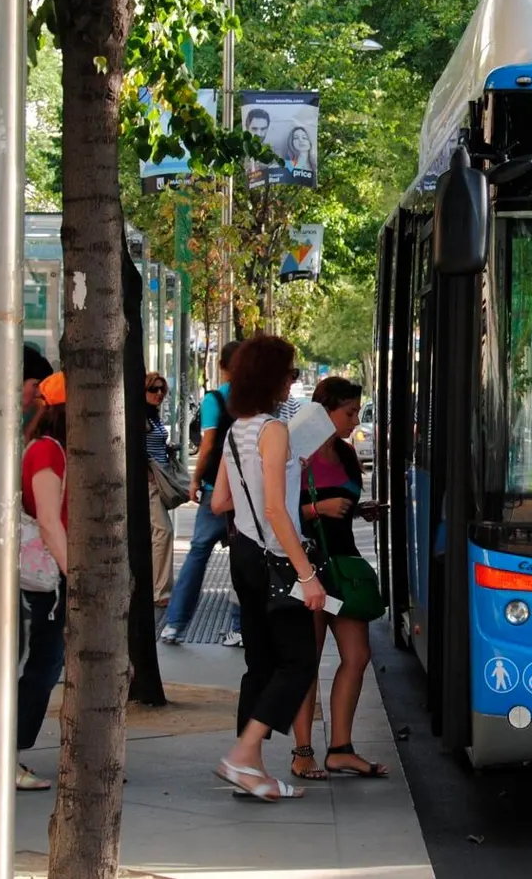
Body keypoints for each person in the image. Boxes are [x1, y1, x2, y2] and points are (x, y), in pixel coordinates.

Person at [210, 334, 325, 802]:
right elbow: (277, 510)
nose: (292, 380)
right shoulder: (273, 431)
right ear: (274, 378)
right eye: (290, 372)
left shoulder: (237, 428)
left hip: (244, 557)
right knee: (299, 662)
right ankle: (244, 752)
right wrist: (306, 573)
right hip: (278, 559)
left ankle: (250, 768)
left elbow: (219, 500)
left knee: (259, 663)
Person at [286, 377, 389, 781]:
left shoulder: (346, 455)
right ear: (324, 410)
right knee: (306, 661)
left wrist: (358, 509)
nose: (353, 420)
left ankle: (341, 748)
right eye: (347, 413)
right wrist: (317, 510)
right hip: (308, 569)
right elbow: (276, 510)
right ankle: (302, 751)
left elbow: (337, 506)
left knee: (357, 655)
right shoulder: (297, 454)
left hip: (344, 567)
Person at [163, 340, 244, 646]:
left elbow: (209, 445)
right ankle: (239, 626)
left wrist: (196, 481)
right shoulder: (258, 401)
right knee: (241, 559)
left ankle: (175, 624)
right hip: (246, 494)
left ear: (223, 367)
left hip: (216, 490)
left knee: (198, 553)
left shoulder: (216, 400)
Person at [16, 372, 71, 791]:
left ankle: (10, 751)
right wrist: (76, 574)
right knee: (40, 665)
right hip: (47, 581)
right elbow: (50, 522)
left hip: (52, 577)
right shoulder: (47, 452)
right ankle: (9, 752)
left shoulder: (52, 450)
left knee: (45, 664)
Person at [145, 371, 176, 606]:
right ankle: (160, 592)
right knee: (163, 531)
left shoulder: (153, 415)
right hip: (150, 481)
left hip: (159, 477)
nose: (158, 394)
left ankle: (158, 589)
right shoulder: (140, 416)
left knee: (157, 532)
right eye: (153, 389)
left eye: (161, 390)